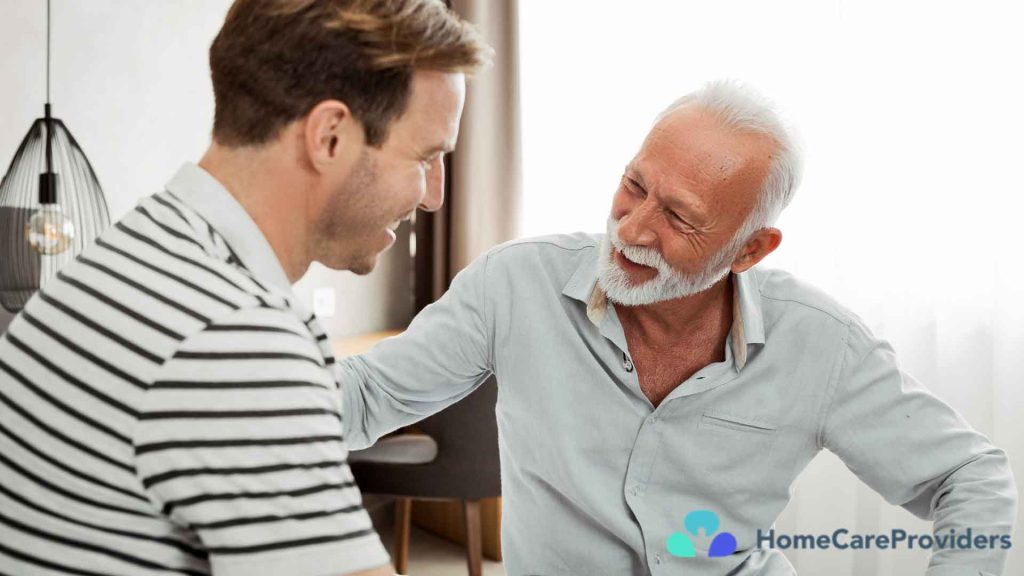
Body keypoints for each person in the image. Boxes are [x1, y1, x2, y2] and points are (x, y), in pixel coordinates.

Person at [338, 81, 1018, 575]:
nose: (631, 230)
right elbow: (365, 397)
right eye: (635, 186)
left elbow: (970, 476)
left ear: (750, 250)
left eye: (680, 218)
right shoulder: (514, 285)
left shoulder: (822, 345)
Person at [0, 1, 489, 575]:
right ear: (329, 136)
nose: (433, 197)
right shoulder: (234, 338)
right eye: (426, 156)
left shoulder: (131, 258)